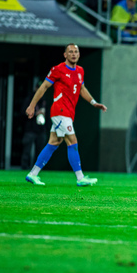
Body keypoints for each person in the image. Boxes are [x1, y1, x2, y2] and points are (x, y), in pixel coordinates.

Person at [25, 44, 107, 186]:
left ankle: (33, 174)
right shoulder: (58, 70)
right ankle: (80, 178)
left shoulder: (80, 71)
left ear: (79, 54)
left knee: (54, 142)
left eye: (76, 52)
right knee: (72, 141)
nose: (73, 54)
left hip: (69, 113)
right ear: (65, 55)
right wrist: (32, 106)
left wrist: (94, 103)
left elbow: (82, 88)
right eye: (70, 52)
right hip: (60, 111)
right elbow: (44, 86)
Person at [20, 84, 47, 170]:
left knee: (40, 151)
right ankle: (24, 168)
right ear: (35, 88)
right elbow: (23, 112)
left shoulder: (44, 101)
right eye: (38, 88)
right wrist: (35, 113)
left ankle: (37, 169)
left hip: (41, 130)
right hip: (30, 129)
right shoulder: (29, 99)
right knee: (27, 151)